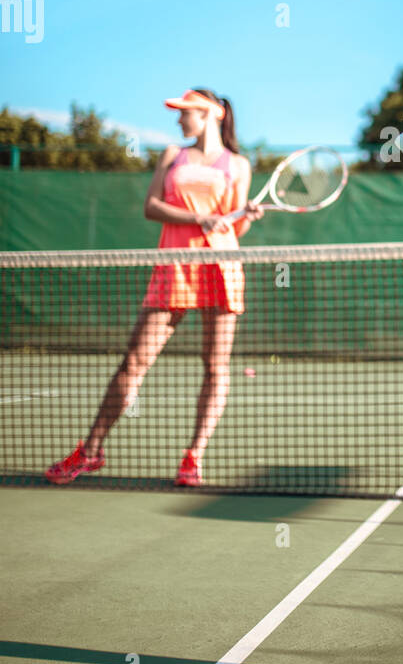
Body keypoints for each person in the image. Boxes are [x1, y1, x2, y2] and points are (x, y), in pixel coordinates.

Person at [45, 88, 263, 488]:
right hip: (174, 266)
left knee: (216, 367)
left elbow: (235, 228)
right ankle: (90, 451)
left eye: (187, 112)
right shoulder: (171, 155)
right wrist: (199, 217)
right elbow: (152, 206)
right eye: (179, 113)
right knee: (134, 363)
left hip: (221, 265)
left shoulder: (238, 164)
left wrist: (245, 214)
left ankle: (193, 458)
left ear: (211, 114)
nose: (180, 119)